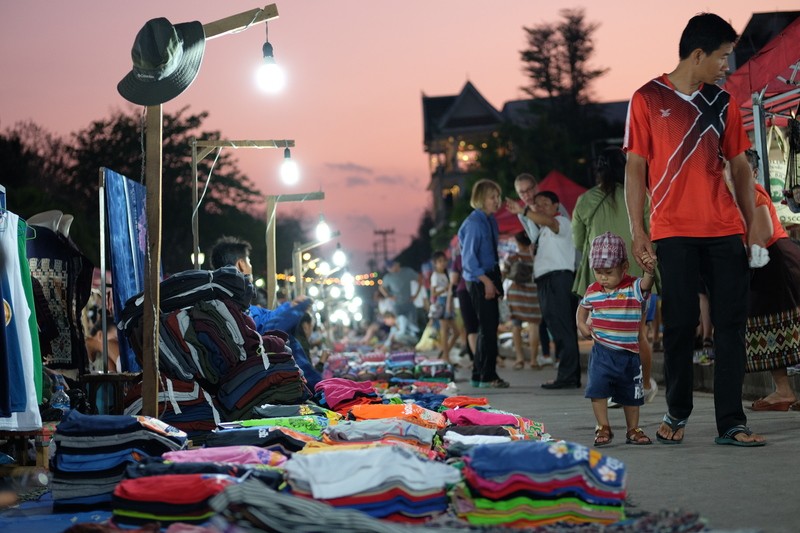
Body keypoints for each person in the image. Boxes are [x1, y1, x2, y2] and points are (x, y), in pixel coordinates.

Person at [624, 13, 765, 446]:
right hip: (672, 230)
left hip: (723, 229)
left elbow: (740, 168)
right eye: (722, 57)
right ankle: (677, 412)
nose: (727, 65)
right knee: (681, 324)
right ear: (699, 54)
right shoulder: (646, 99)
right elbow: (635, 169)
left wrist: (753, 229)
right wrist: (639, 229)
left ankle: (732, 422)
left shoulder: (723, 102)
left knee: (731, 326)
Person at [572, 147, 658, 403]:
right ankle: (641, 385)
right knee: (638, 332)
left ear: (597, 172)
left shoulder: (586, 200)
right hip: (634, 273)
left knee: (604, 334)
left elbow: (578, 241)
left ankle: (609, 387)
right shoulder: (640, 195)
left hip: (598, 277)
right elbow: (652, 231)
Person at [210, 236, 321, 388]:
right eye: (249, 262)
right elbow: (270, 329)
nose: (251, 266)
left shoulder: (214, 307)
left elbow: (268, 319)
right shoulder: (238, 311)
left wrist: (290, 306)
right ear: (241, 264)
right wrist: (296, 308)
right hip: (261, 388)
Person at [577, 232, 656, 446]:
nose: (602, 277)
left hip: (629, 354)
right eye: (598, 272)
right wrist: (582, 324)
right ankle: (603, 426)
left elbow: (647, 285)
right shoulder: (593, 290)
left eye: (608, 272)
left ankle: (633, 429)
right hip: (602, 352)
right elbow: (582, 309)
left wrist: (649, 271)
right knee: (598, 390)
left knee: (632, 395)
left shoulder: (632, 286)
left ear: (624, 267)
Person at [507, 179, 581, 389]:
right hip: (548, 281)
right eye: (537, 206)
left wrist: (523, 211)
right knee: (557, 328)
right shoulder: (542, 231)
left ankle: (568, 377)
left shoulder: (560, 222)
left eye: (544, 204)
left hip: (558, 279)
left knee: (563, 328)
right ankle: (567, 375)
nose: (540, 208)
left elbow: (551, 223)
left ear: (556, 206)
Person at [742, 148, 800, 411]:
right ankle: (783, 391)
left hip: (774, 261)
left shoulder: (753, 193)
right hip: (769, 262)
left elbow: (763, 231)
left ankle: (784, 391)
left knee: (787, 323)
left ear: (753, 172)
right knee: (770, 327)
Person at [457, 179, 509, 388]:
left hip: (490, 275)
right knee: (487, 328)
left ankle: (481, 375)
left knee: (489, 327)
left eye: (498, 196)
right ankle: (486, 375)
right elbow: (468, 261)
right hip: (479, 280)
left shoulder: (489, 220)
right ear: (480, 199)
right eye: (492, 197)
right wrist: (487, 282)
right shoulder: (474, 223)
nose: (497, 201)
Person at [502, 231, 542, 370]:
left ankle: (519, 359)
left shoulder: (513, 257)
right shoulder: (536, 258)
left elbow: (503, 273)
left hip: (516, 294)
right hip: (533, 294)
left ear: (518, 243)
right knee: (533, 326)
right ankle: (533, 360)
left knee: (516, 325)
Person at [379, 260, 423, 338]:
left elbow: (420, 279)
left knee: (412, 325)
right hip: (396, 305)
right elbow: (381, 287)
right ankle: (401, 340)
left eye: (391, 266)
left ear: (397, 264)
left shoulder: (407, 272)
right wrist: (389, 296)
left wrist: (415, 295)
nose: (389, 269)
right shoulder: (388, 277)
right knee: (398, 325)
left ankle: (413, 340)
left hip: (408, 303)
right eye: (388, 267)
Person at [429, 250, 459, 363]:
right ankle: (446, 357)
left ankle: (444, 353)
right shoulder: (435, 276)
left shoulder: (447, 273)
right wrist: (445, 289)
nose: (443, 263)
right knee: (445, 331)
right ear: (435, 263)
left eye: (444, 260)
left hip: (449, 302)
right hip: (441, 303)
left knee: (456, 332)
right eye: (440, 261)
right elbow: (433, 294)